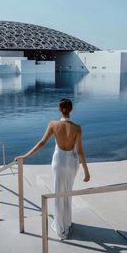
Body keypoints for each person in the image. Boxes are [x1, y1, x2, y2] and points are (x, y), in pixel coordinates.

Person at [14, 98, 90, 239]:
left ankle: (60, 228)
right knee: (68, 192)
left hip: (59, 161)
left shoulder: (53, 124)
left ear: (59, 109)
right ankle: (67, 224)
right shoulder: (77, 128)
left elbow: (42, 142)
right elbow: (80, 151)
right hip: (72, 163)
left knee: (57, 192)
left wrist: (25, 156)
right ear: (71, 109)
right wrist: (86, 171)